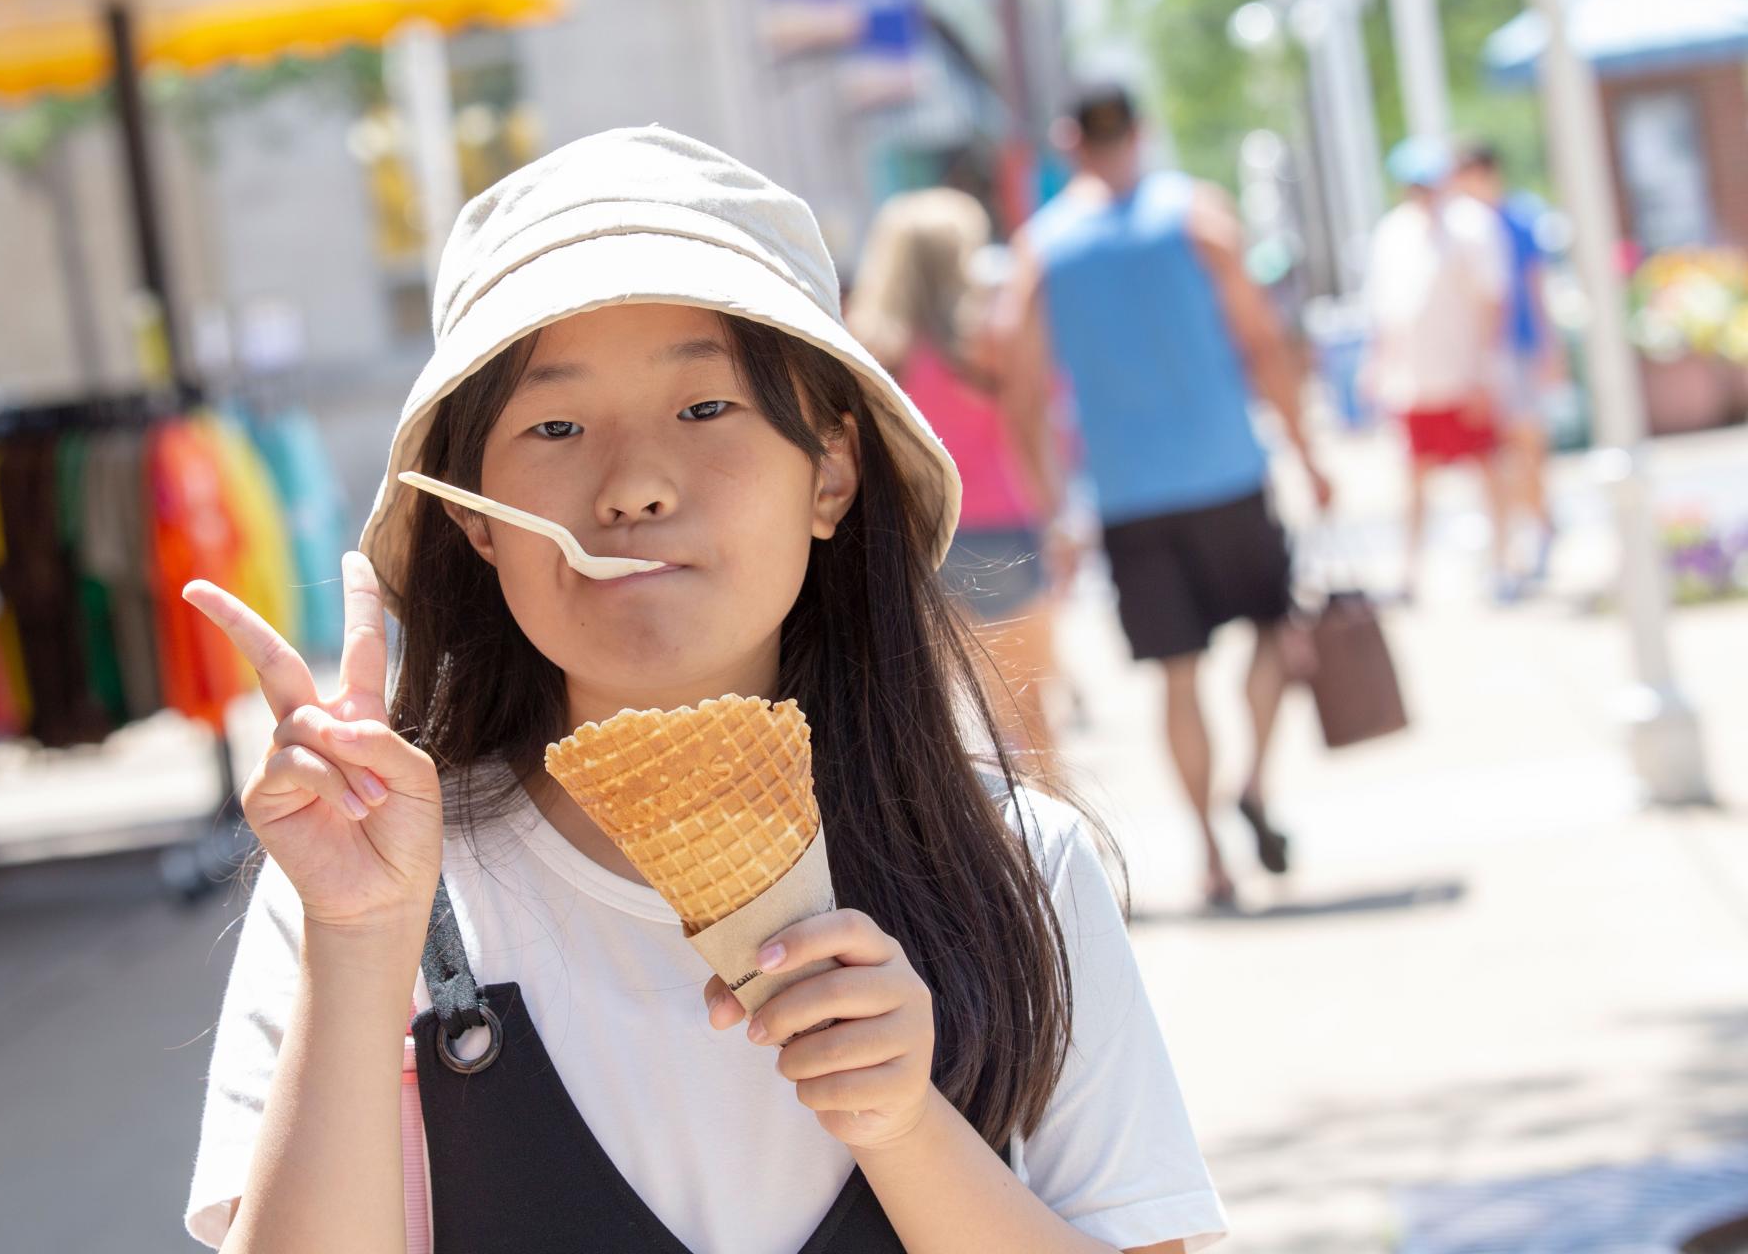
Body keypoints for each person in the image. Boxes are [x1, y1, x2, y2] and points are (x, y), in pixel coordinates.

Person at [179, 128, 1228, 1253]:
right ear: (476, 518)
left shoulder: (1017, 868)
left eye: (705, 409)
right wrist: (356, 939)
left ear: (831, 471)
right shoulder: (362, 885)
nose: (633, 485)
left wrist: (907, 1125)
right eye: (555, 426)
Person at [1000, 81, 1331, 912]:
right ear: (1141, 131)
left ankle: (1210, 854)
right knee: (1274, 631)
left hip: (1128, 497)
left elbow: (1022, 390)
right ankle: (1253, 783)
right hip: (1229, 473)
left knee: (1177, 678)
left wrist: (1052, 506)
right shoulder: (1199, 217)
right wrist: (1307, 450)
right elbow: (1262, 342)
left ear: (1069, 141)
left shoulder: (1043, 250)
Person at [846, 187, 1060, 760]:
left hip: (909, 536)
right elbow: (1035, 424)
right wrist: (1058, 517)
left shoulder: (866, 350)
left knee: (934, 731)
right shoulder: (990, 338)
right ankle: (1046, 817)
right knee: (1029, 716)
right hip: (1001, 529)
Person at [1360, 136, 1514, 602]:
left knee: (1487, 470)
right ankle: (1409, 572)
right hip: (1415, 380)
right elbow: (1385, 310)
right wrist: (1377, 365)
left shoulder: (1472, 226)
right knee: (1413, 478)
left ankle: (1502, 566)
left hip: (1465, 374)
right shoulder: (1392, 233)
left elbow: (1493, 301)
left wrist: (1485, 370)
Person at [1453, 140, 1561, 586]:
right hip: (1482, 356)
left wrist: (1549, 347)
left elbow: (1535, 287)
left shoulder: (1517, 219)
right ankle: (1519, 529)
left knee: (1526, 442)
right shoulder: (1461, 226)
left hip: (1517, 346)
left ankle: (1540, 523)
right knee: (1495, 451)